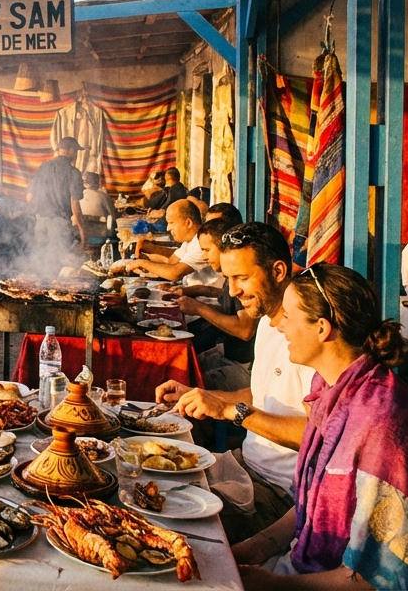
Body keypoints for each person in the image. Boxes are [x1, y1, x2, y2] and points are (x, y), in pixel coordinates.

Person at [235, 264, 408, 590]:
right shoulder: (333, 392)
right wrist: (260, 545)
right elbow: (312, 504)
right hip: (304, 565)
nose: (279, 325)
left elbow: (379, 578)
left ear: (322, 328)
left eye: (288, 315)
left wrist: (270, 583)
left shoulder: (379, 427)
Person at [156, 222, 313, 544]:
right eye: (228, 279)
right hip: (243, 465)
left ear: (279, 271)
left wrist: (230, 411)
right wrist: (202, 395)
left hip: (283, 493)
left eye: (241, 277)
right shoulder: (269, 321)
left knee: (167, 530)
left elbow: (322, 433)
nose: (232, 291)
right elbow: (264, 392)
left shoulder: (308, 333)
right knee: (143, 483)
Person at [173, 218, 257, 391]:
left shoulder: (240, 279)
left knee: (186, 382)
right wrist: (194, 304)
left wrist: (198, 308)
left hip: (244, 369)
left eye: (206, 250)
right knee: (179, 368)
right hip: (227, 356)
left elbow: (245, 330)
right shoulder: (229, 279)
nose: (204, 257)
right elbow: (229, 312)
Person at [125, 199, 221, 286]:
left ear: (188, 223)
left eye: (171, 223)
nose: (168, 228)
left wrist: (143, 263)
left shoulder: (201, 242)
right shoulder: (189, 241)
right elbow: (171, 261)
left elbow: (175, 273)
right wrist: (148, 259)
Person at [28, 137, 87, 250]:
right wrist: (82, 231)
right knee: (57, 261)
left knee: (39, 259)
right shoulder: (73, 172)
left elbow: (30, 196)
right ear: (71, 150)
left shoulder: (44, 166)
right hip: (59, 225)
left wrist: (37, 215)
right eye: (76, 151)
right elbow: (74, 204)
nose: (76, 154)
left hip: (41, 222)